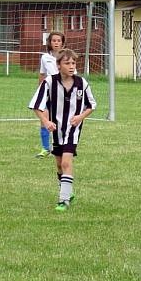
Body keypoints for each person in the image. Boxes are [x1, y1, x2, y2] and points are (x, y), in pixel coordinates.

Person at [28, 49, 97, 212]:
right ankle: (68, 191)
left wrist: (80, 117)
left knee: (66, 162)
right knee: (59, 165)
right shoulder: (49, 82)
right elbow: (35, 105)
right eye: (67, 63)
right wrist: (46, 121)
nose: (71, 66)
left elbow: (92, 105)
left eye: (73, 63)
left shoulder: (82, 83)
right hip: (56, 129)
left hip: (73, 129)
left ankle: (63, 200)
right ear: (58, 66)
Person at [34, 31, 65, 158]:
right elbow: (42, 74)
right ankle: (45, 148)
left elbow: (73, 75)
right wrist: (39, 90)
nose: (56, 43)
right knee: (44, 119)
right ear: (50, 43)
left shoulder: (66, 56)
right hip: (48, 92)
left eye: (58, 41)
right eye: (54, 41)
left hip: (62, 93)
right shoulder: (45, 57)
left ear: (62, 43)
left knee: (61, 121)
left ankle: (61, 146)